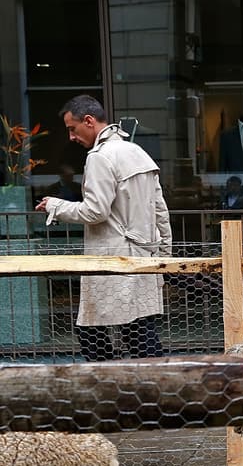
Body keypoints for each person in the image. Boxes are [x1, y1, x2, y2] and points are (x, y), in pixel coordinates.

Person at [36, 95, 172, 361]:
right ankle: (152, 389)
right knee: (139, 332)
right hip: (143, 259)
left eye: (72, 129)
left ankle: (110, 387)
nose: (72, 137)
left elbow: (94, 211)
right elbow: (161, 211)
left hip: (112, 261)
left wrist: (55, 205)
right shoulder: (137, 152)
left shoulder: (100, 157)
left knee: (93, 332)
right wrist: (164, 256)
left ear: (88, 121)